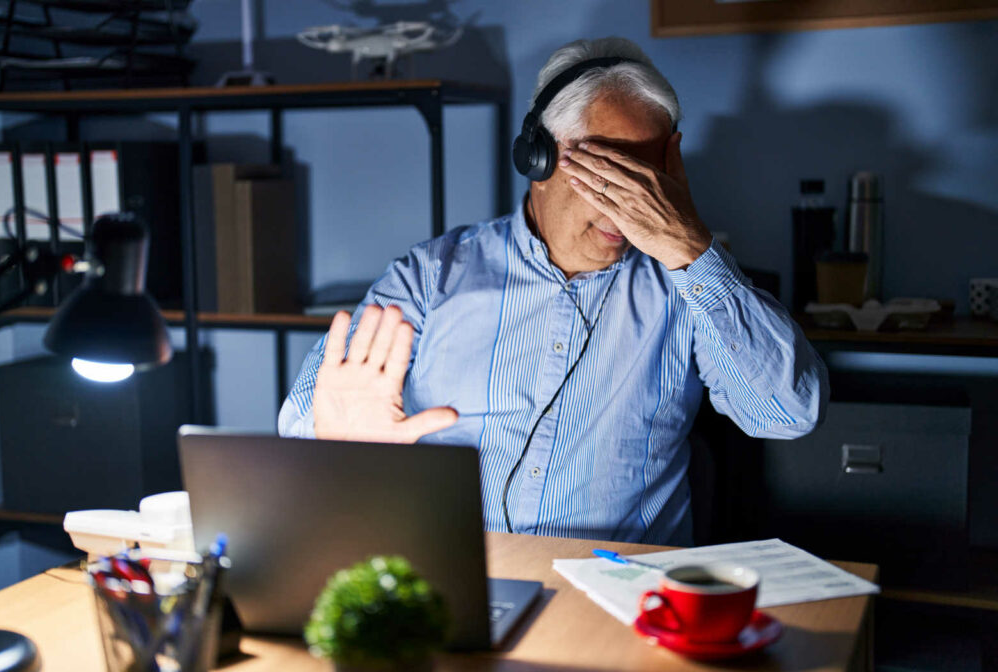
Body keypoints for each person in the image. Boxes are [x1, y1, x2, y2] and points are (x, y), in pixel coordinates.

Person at [279, 37, 828, 545]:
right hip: (460, 580)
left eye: (648, 180)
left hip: (619, 602)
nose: (628, 204)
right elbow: (305, 418)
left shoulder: (688, 288)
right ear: (537, 158)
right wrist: (339, 440)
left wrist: (690, 251)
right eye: (607, 173)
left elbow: (788, 413)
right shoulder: (431, 276)